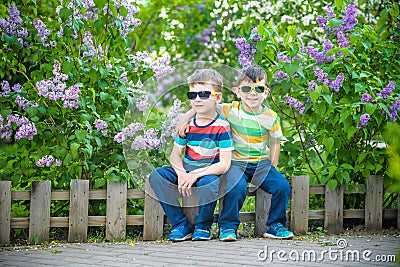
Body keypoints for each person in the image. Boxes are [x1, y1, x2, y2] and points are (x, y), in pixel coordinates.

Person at [176, 65, 293, 241]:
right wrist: (183, 121)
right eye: (246, 88)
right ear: (238, 91)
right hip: (236, 163)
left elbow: (275, 143)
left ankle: (275, 225)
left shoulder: (271, 116)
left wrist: (272, 166)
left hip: (261, 163)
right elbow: (204, 104)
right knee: (236, 188)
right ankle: (228, 226)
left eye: (258, 89)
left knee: (282, 187)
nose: (252, 93)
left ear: (266, 92)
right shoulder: (231, 109)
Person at [149, 69, 234, 242]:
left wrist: (196, 174)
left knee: (209, 185)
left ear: (217, 98)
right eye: (192, 94)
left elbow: (224, 164)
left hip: (208, 171)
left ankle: (203, 226)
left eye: (203, 94)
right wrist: (181, 173)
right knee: (157, 176)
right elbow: (174, 156)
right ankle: (181, 225)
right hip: (186, 168)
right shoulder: (187, 126)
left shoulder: (222, 126)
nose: (197, 99)